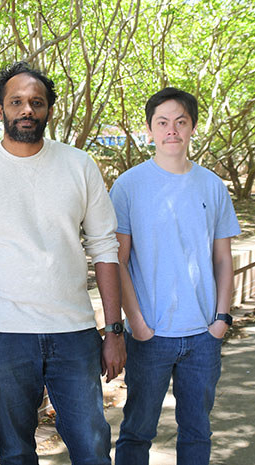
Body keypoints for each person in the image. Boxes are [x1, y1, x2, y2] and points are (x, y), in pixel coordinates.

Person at [0, 61, 126, 465]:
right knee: (15, 452)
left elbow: (104, 249)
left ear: (48, 110)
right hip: (4, 336)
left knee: (93, 447)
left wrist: (114, 331)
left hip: (74, 333)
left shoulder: (80, 166)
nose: (26, 109)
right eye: (16, 102)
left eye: (36, 102)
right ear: (0, 110)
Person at [110, 87, 241, 465]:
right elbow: (118, 259)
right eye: (162, 122)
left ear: (192, 128)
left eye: (180, 122)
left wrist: (221, 319)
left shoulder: (213, 186)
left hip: (203, 335)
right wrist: (137, 322)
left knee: (198, 431)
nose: (172, 130)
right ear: (149, 130)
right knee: (137, 431)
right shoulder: (128, 186)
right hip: (149, 335)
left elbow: (221, 258)